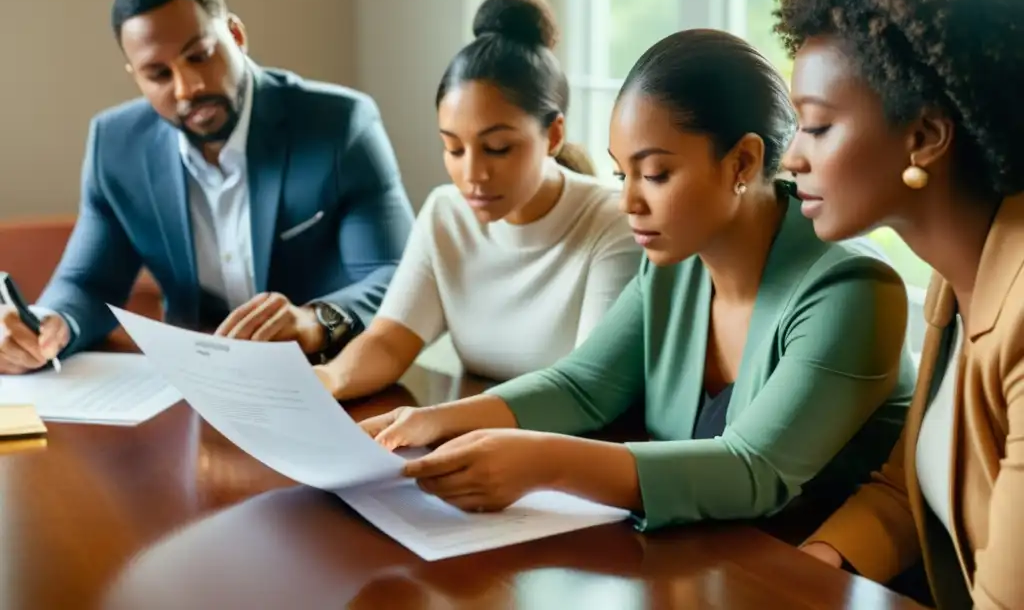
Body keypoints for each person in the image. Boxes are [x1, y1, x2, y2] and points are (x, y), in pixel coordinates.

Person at [357, 28, 917, 530]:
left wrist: (543, 461)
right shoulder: (675, 265)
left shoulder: (851, 288)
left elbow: (753, 471)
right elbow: (582, 385)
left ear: (743, 163)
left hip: (825, 581)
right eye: (623, 173)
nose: (628, 202)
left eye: (655, 174)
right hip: (715, 561)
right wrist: (431, 420)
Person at [0, 0, 414, 374]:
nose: (188, 88)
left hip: (326, 378)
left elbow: (394, 275)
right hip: (194, 387)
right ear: (136, 77)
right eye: (158, 74)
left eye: (199, 56)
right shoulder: (116, 146)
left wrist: (313, 321)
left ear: (235, 35)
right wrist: (50, 324)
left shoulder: (340, 126)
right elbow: (88, 284)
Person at [777, 0, 1024, 610]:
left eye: (817, 127)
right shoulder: (960, 274)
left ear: (924, 137)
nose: (791, 158)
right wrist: (806, 572)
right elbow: (907, 485)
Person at [315, 0, 640, 399]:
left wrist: (441, 421)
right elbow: (388, 342)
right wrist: (318, 387)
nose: (472, 175)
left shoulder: (611, 223)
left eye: (498, 148)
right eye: (453, 148)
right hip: (481, 438)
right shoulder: (446, 213)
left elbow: (587, 389)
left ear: (554, 134)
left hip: (568, 448)